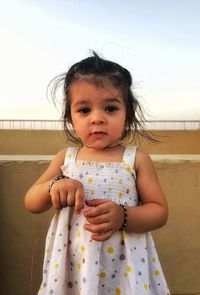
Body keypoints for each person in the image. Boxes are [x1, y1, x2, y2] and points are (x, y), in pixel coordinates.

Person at [25, 51, 170, 295]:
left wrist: (123, 216)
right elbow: (31, 201)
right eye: (84, 110)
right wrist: (54, 184)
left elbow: (159, 211)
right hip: (73, 268)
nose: (97, 119)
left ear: (127, 115)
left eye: (110, 108)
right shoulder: (65, 158)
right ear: (70, 117)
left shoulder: (135, 158)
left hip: (126, 268)